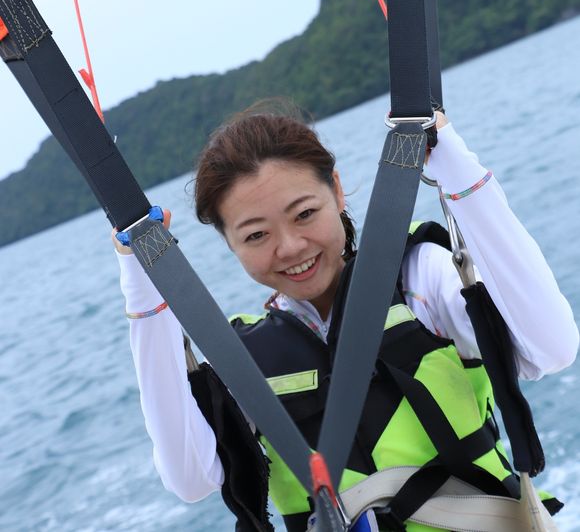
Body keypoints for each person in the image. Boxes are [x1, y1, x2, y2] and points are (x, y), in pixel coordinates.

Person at [113, 104, 578, 531]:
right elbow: (191, 478)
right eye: (256, 236)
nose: (290, 247)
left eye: (304, 214)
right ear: (230, 244)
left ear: (336, 190)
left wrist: (451, 162)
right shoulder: (242, 361)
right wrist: (142, 278)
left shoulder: (419, 280)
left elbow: (549, 349)